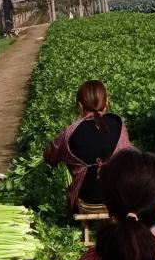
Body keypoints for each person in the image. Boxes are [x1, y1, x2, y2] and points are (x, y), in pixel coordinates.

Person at [44, 80, 132, 214]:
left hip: (88, 200)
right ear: (107, 101)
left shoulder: (69, 132)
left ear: (79, 106)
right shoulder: (119, 124)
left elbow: (50, 158)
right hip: (120, 198)